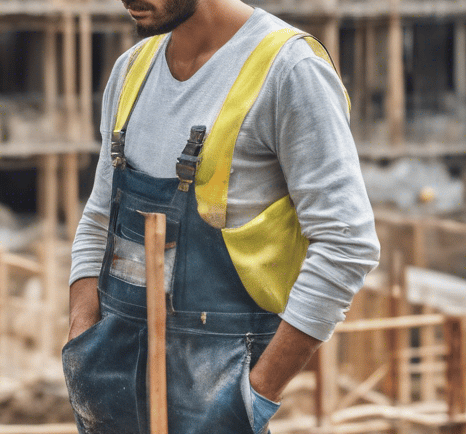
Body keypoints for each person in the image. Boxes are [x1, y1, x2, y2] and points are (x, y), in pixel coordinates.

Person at [62, 0, 380, 433]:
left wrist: (258, 394)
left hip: (217, 397)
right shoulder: (130, 70)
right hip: (109, 387)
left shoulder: (288, 70)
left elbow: (347, 243)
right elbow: (100, 215)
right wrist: (82, 337)